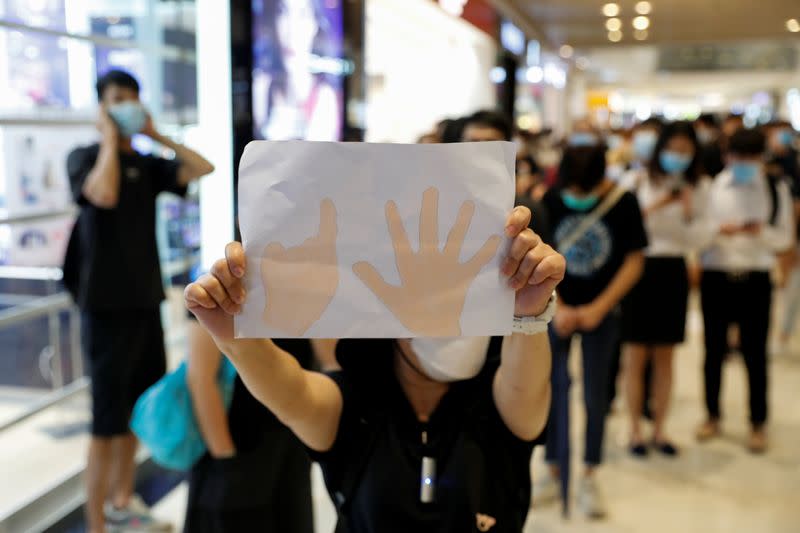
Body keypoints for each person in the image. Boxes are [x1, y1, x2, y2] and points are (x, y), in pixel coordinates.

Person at [183, 203, 566, 532]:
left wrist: (528, 314)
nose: (451, 322)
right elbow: (292, 392)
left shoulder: (497, 407)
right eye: (429, 303)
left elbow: (526, 386)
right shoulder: (354, 409)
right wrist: (234, 336)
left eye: (466, 303)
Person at [64, 69, 214, 533]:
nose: (125, 104)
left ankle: (122, 502)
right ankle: (95, 524)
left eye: (132, 98)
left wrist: (154, 134)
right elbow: (103, 194)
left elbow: (202, 167)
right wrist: (111, 139)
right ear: (101, 107)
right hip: (104, 313)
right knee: (104, 425)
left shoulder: (149, 165)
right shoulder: (85, 156)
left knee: (135, 414)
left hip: (145, 304)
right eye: (116, 99)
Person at [537, 145, 647, 518]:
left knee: (596, 394)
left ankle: (589, 473)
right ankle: (553, 468)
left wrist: (599, 308)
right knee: (551, 388)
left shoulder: (623, 202)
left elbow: (634, 261)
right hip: (556, 311)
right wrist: (559, 306)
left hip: (604, 313)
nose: (579, 196)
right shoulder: (551, 199)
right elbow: (538, 257)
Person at [696, 128, 795, 453]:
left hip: (756, 277)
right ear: (728, 156)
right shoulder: (712, 188)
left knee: (755, 354)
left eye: (751, 158)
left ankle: (758, 422)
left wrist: (759, 232)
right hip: (716, 275)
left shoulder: (774, 187)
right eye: (739, 157)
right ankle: (712, 415)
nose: (744, 164)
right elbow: (697, 232)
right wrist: (718, 231)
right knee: (713, 351)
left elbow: (784, 239)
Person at [620, 121, 710, 458]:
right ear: (661, 149)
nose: (678, 156)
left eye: (686, 151)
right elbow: (625, 225)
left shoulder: (699, 186)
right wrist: (657, 206)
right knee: (635, 355)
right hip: (638, 268)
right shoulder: (638, 180)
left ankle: (660, 428)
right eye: (673, 149)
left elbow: (702, 235)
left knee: (665, 356)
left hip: (673, 270)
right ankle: (633, 429)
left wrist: (686, 211)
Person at [184, 319, 314, 533]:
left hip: (290, 445)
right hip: (237, 447)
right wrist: (225, 458)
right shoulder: (220, 289)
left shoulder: (300, 293)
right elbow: (201, 379)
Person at [252, 0, 341, 141]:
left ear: (315, 24)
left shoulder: (326, 98)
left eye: (302, 15)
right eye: (283, 13)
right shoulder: (261, 89)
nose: (292, 30)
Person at [461, 110, 551, 242]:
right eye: (472, 142)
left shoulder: (529, 212)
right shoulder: (441, 206)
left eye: (491, 144)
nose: (479, 151)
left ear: (507, 151)